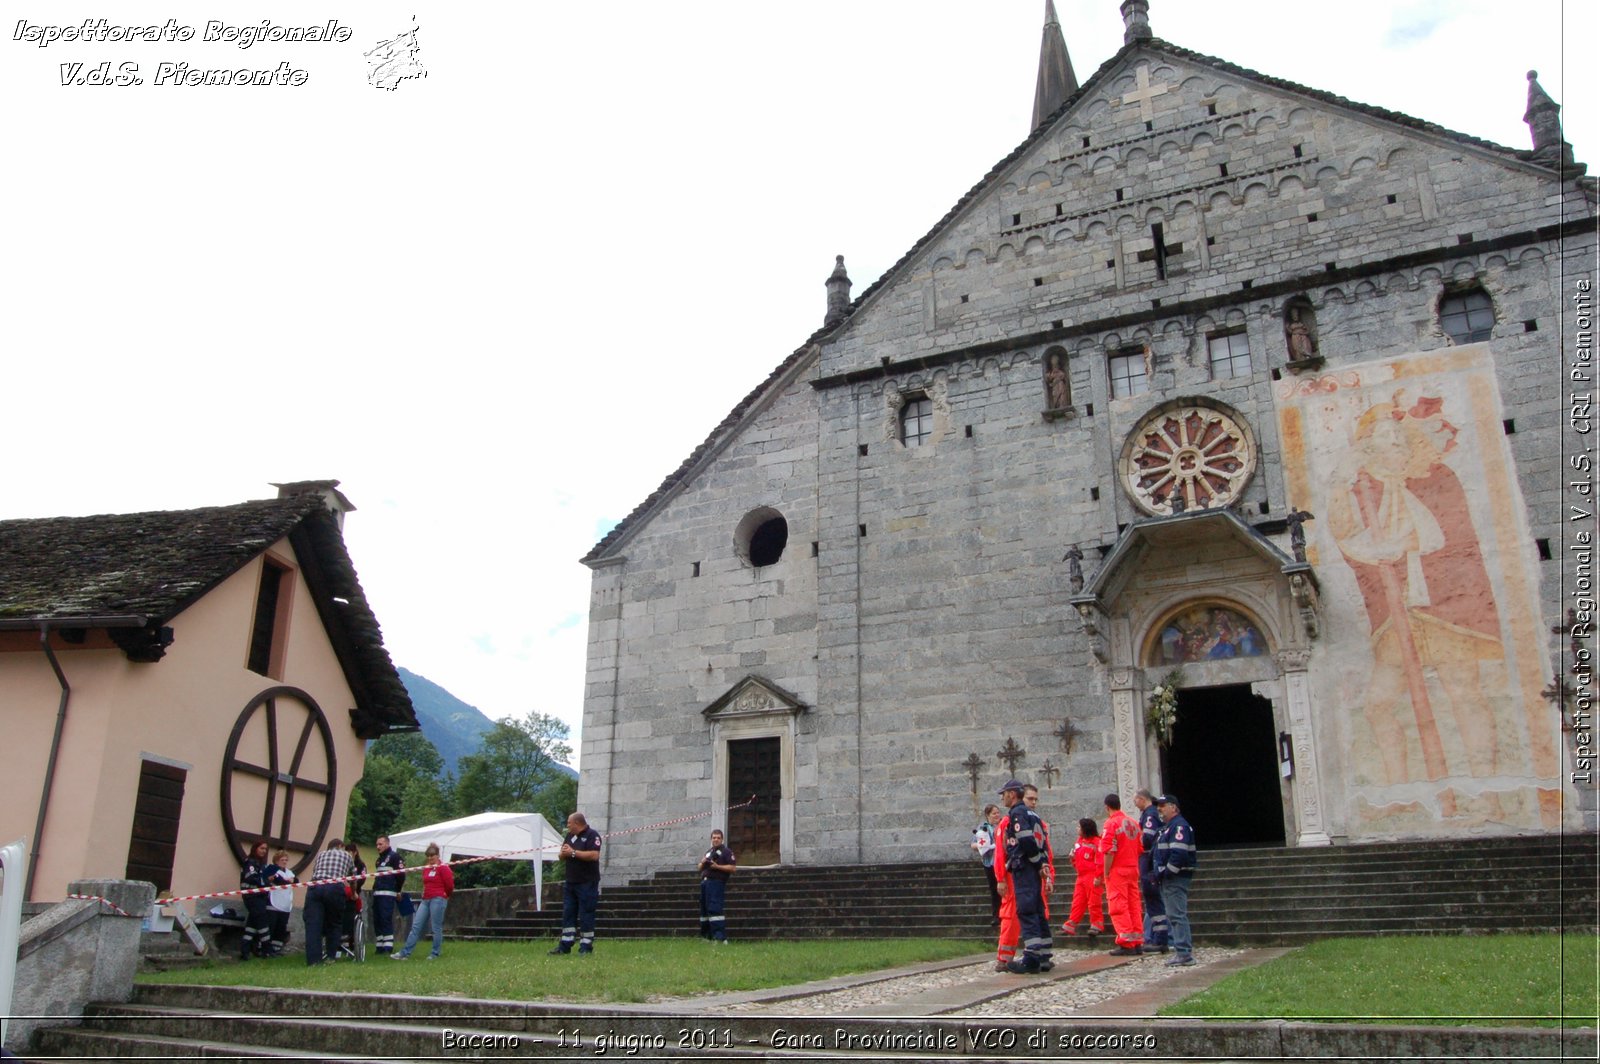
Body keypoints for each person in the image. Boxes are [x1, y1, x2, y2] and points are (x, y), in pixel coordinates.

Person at [997, 779, 1053, 974]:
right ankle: (1044, 955)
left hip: (1025, 868)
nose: (1002, 798)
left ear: (1012, 794)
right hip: (1033, 869)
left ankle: (1031, 958)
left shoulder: (1017, 813)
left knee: (1027, 911)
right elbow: (1043, 843)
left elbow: (1026, 840)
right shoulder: (1034, 815)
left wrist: (1037, 862)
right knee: (1038, 910)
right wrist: (1043, 863)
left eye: (1004, 794)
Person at [1153, 795, 1197, 967]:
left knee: (1177, 915)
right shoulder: (1169, 827)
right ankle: (1182, 951)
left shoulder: (1178, 826)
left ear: (1174, 807)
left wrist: (1166, 873)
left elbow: (1178, 854)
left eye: (1163, 806)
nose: (1160, 809)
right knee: (1174, 915)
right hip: (1171, 877)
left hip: (1175, 878)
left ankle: (1184, 953)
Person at [549, 811, 602, 955]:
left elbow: (594, 855)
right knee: (568, 913)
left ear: (577, 823)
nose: (567, 826)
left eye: (569, 823)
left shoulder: (592, 835)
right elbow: (562, 855)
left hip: (587, 882)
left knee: (586, 913)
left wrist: (573, 853)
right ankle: (565, 945)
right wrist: (563, 854)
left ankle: (586, 947)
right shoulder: (570, 836)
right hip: (571, 882)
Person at [392, 842, 454, 960]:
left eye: (432, 855)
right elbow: (425, 882)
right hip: (426, 899)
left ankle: (435, 953)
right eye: (428, 856)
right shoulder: (426, 868)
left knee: (436, 927)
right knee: (416, 925)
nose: (430, 858)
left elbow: (450, 885)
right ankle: (405, 952)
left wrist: (446, 895)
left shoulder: (443, 868)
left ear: (437, 855)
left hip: (438, 898)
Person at [1099, 793, 1144, 956]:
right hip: (1133, 868)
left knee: (1118, 905)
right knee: (1134, 904)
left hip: (1118, 869)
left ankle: (1126, 941)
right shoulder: (1133, 823)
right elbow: (1140, 848)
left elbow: (1109, 850)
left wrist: (1106, 872)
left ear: (1107, 807)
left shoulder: (1111, 824)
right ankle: (1137, 940)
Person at [302, 837, 354, 966]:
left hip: (315, 887)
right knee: (334, 923)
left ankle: (314, 961)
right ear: (341, 846)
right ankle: (331, 956)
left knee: (313, 925)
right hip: (335, 888)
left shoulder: (321, 854)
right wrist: (353, 893)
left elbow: (315, 872)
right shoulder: (347, 855)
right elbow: (353, 877)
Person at [1134, 788, 1169, 954]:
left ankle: (1160, 939)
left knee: (1153, 899)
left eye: (1136, 800)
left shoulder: (1149, 814)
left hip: (1148, 860)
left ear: (1142, 799)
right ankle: (1157, 938)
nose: (1135, 803)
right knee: (1153, 902)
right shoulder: (1150, 813)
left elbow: (1147, 838)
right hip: (1149, 860)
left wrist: (1134, 842)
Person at [1061, 818, 1105, 937]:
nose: (1077, 829)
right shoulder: (1079, 841)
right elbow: (1076, 856)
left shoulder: (1097, 842)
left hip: (1092, 875)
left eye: (1079, 827)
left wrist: (1098, 876)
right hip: (1081, 875)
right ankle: (1072, 923)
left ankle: (1097, 924)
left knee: (1093, 901)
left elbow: (1100, 861)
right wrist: (1073, 860)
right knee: (1078, 900)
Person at [1022, 785, 1056, 929]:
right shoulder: (1010, 821)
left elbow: (1046, 852)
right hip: (1021, 873)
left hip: (1037, 871)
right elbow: (1001, 854)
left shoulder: (1038, 822)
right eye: (1030, 799)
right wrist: (1001, 879)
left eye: (1035, 799)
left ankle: (1039, 947)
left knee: (1040, 912)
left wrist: (1049, 877)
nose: (1033, 802)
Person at [697, 829, 736, 942]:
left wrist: (717, 867)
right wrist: (703, 862)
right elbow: (699, 868)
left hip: (716, 883)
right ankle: (706, 937)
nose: (716, 839)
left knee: (715, 909)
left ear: (722, 839)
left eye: (718, 838)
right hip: (705, 883)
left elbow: (733, 868)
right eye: (714, 837)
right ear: (711, 839)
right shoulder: (708, 852)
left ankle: (720, 938)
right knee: (704, 911)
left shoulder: (727, 852)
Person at [238, 839, 274, 960]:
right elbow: (252, 878)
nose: (264, 851)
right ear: (255, 848)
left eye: (265, 849)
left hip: (261, 897)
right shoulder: (250, 862)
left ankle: (245, 951)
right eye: (261, 848)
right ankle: (267, 950)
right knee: (263, 922)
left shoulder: (261, 864)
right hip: (252, 897)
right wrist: (266, 880)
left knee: (252, 924)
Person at [370, 834, 405, 954]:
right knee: (377, 920)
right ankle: (379, 946)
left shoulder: (394, 857)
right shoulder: (379, 860)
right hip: (378, 894)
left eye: (380, 844)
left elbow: (401, 875)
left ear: (387, 844)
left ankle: (388, 947)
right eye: (377, 844)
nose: (378, 847)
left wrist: (397, 890)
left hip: (388, 894)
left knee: (385, 919)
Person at [972, 804, 1002, 924]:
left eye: (998, 812)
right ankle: (996, 915)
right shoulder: (982, 828)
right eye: (994, 813)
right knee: (994, 889)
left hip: (1002, 862)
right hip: (989, 863)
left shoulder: (1003, 825)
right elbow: (973, 844)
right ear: (987, 815)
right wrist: (982, 846)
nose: (997, 815)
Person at [340, 841, 368, 958]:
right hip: (342, 895)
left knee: (352, 919)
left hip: (354, 895)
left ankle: (351, 946)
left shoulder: (361, 865)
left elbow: (362, 879)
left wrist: (353, 887)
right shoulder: (342, 864)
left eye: (350, 852)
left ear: (355, 853)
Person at [266, 850, 296, 955]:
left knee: (281, 926)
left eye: (286, 860)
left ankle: (276, 948)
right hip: (274, 903)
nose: (284, 862)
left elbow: (296, 881)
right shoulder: (271, 869)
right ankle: (265, 947)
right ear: (276, 861)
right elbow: (278, 881)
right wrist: (289, 881)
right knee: (271, 925)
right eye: (282, 860)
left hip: (285, 903)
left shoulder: (289, 872)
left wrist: (291, 880)